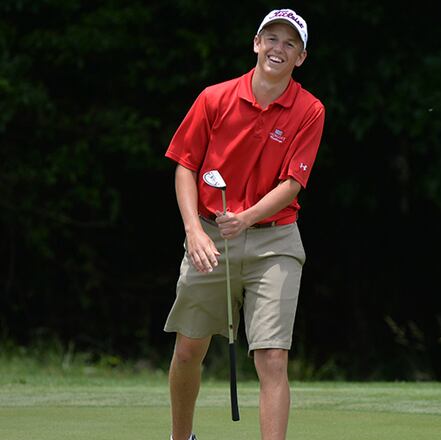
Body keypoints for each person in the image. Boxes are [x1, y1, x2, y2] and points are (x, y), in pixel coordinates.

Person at [162, 9, 324, 440]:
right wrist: (194, 232)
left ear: (301, 58)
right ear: (256, 43)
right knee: (188, 347)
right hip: (210, 236)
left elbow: (293, 183)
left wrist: (248, 217)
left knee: (272, 356)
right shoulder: (215, 98)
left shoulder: (309, 110)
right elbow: (185, 165)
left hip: (276, 240)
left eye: (290, 43)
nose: (278, 48)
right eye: (271, 38)